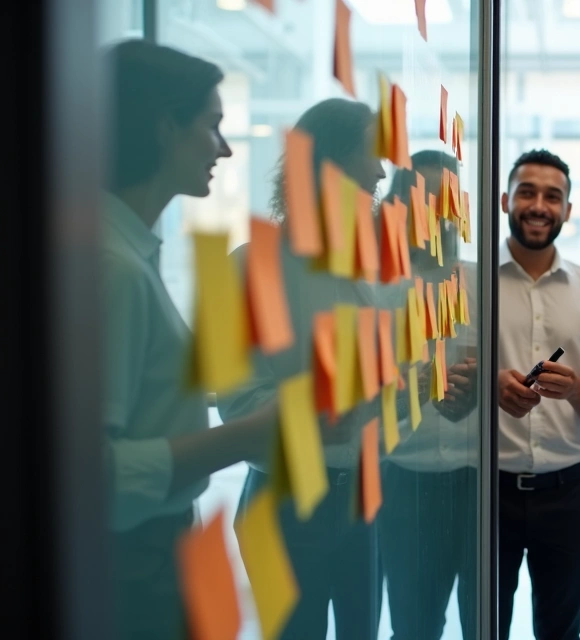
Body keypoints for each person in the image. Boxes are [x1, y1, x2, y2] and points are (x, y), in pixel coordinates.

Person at [102, 39, 284, 639]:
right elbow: (94, 477)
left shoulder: (132, 252)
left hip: (158, 549)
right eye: (211, 127)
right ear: (162, 130)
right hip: (131, 563)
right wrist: (251, 434)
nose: (225, 149)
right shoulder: (112, 267)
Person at [219, 97, 388, 639]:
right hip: (282, 505)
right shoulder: (247, 267)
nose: (382, 171)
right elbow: (236, 402)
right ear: (332, 166)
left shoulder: (365, 272)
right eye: (372, 155)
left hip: (361, 499)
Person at [497, 149, 580, 640]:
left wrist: (575, 389)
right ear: (506, 199)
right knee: (486, 628)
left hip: (568, 496)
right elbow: (443, 381)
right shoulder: (468, 282)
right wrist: (491, 385)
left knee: (562, 633)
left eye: (554, 196)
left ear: (568, 209)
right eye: (527, 192)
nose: (539, 205)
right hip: (489, 494)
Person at [379, 149, 481, 640]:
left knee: (482, 622)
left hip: (477, 481)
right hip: (402, 479)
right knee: (414, 627)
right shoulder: (374, 288)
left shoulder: (481, 282)